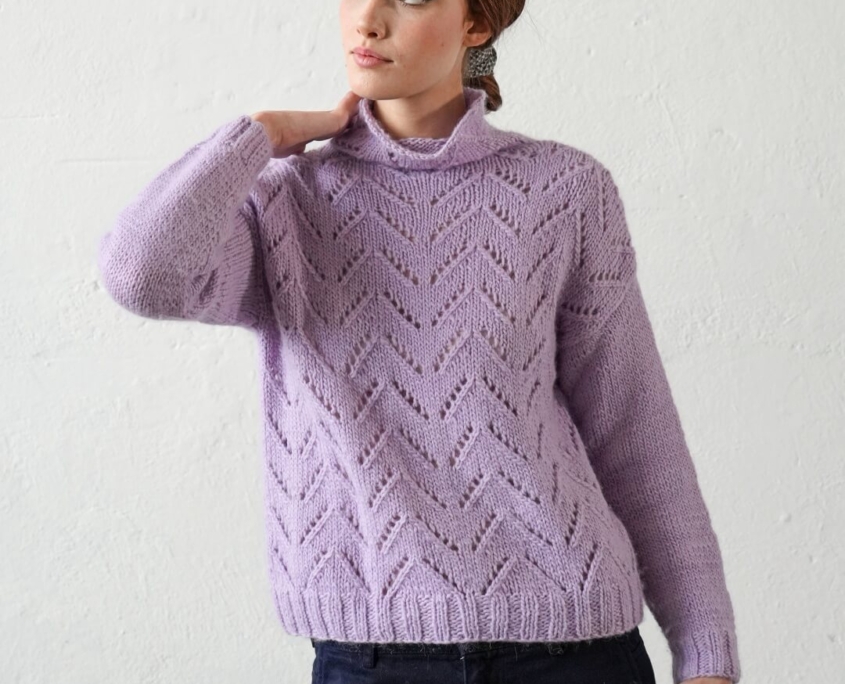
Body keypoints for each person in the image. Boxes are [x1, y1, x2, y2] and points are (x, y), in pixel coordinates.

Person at [96, 1, 741, 682]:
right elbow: (141, 275)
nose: (368, 20)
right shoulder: (283, 200)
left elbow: (634, 431)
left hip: (574, 647)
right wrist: (258, 136)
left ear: (476, 24)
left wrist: (706, 651)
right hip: (371, 657)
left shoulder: (564, 191)